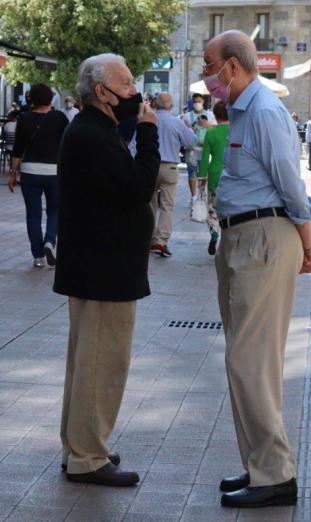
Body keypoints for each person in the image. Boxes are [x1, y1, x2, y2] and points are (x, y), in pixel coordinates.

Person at [202, 29, 311, 508]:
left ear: (233, 66)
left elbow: (291, 186)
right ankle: (259, 465)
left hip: (262, 237)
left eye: (209, 66)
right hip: (242, 237)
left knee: (250, 360)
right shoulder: (243, 110)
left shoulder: (266, 112)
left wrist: (309, 241)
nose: (206, 76)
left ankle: (274, 474)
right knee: (244, 358)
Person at [54, 53, 160, 486]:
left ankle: (79, 446)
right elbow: (138, 185)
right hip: (104, 271)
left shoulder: (97, 130)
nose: (135, 93)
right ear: (103, 93)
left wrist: (136, 125)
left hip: (99, 267)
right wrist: (150, 134)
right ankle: (87, 457)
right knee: (101, 365)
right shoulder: (92, 136)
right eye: (129, 85)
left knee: (86, 365)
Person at [8, 84, 69, 268]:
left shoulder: (24, 118)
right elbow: (67, 145)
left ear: (31, 99)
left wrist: (13, 173)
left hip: (29, 171)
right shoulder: (60, 118)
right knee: (55, 210)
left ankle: (38, 256)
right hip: (54, 171)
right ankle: (50, 241)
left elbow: (17, 150)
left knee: (33, 215)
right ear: (51, 98)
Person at [129, 92, 195, 258]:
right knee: (167, 206)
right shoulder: (177, 122)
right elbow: (190, 142)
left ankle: (147, 239)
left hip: (148, 166)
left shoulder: (146, 119)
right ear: (171, 106)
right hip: (170, 167)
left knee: (149, 204)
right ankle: (160, 241)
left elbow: (132, 145)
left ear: (155, 104)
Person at [198, 100, 229, 255]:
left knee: (212, 209)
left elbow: (204, 159)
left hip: (215, 174)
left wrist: (201, 177)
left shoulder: (211, 133)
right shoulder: (237, 132)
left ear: (215, 116)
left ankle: (214, 233)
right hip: (233, 175)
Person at [183, 93, 217, 206]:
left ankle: (202, 194)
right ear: (192, 103)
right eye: (195, 102)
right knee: (192, 173)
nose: (197, 103)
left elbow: (215, 129)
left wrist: (207, 125)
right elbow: (184, 131)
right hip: (192, 149)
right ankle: (193, 196)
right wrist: (192, 127)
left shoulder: (210, 115)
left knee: (204, 174)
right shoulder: (187, 116)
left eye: (199, 101)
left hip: (206, 149)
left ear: (203, 102)